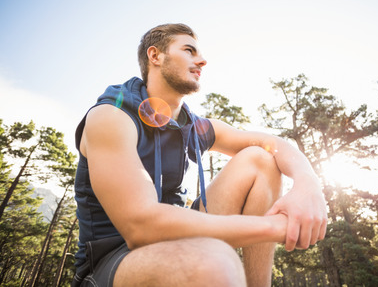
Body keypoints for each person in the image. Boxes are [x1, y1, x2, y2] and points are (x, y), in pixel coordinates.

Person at [72, 23, 327, 287]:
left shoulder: (195, 127)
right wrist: (279, 227)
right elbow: (141, 227)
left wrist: (308, 184)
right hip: (112, 262)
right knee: (214, 262)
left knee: (260, 159)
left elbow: (272, 144)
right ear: (155, 56)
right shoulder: (111, 116)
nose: (202, 60)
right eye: (189, 50)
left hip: (178, 240)